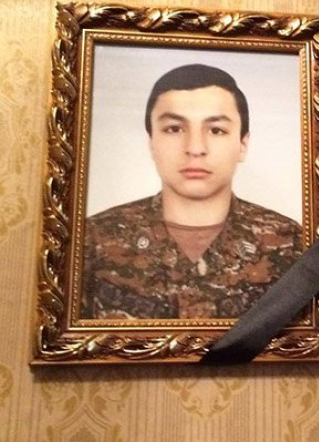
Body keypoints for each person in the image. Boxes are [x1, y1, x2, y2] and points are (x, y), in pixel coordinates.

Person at [81, 64, 302, 319]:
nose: (195, 148)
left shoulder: (290, 244)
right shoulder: (92, 240)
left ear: (242, 144)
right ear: (151, 142)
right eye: (174, 129)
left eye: (216, 130)